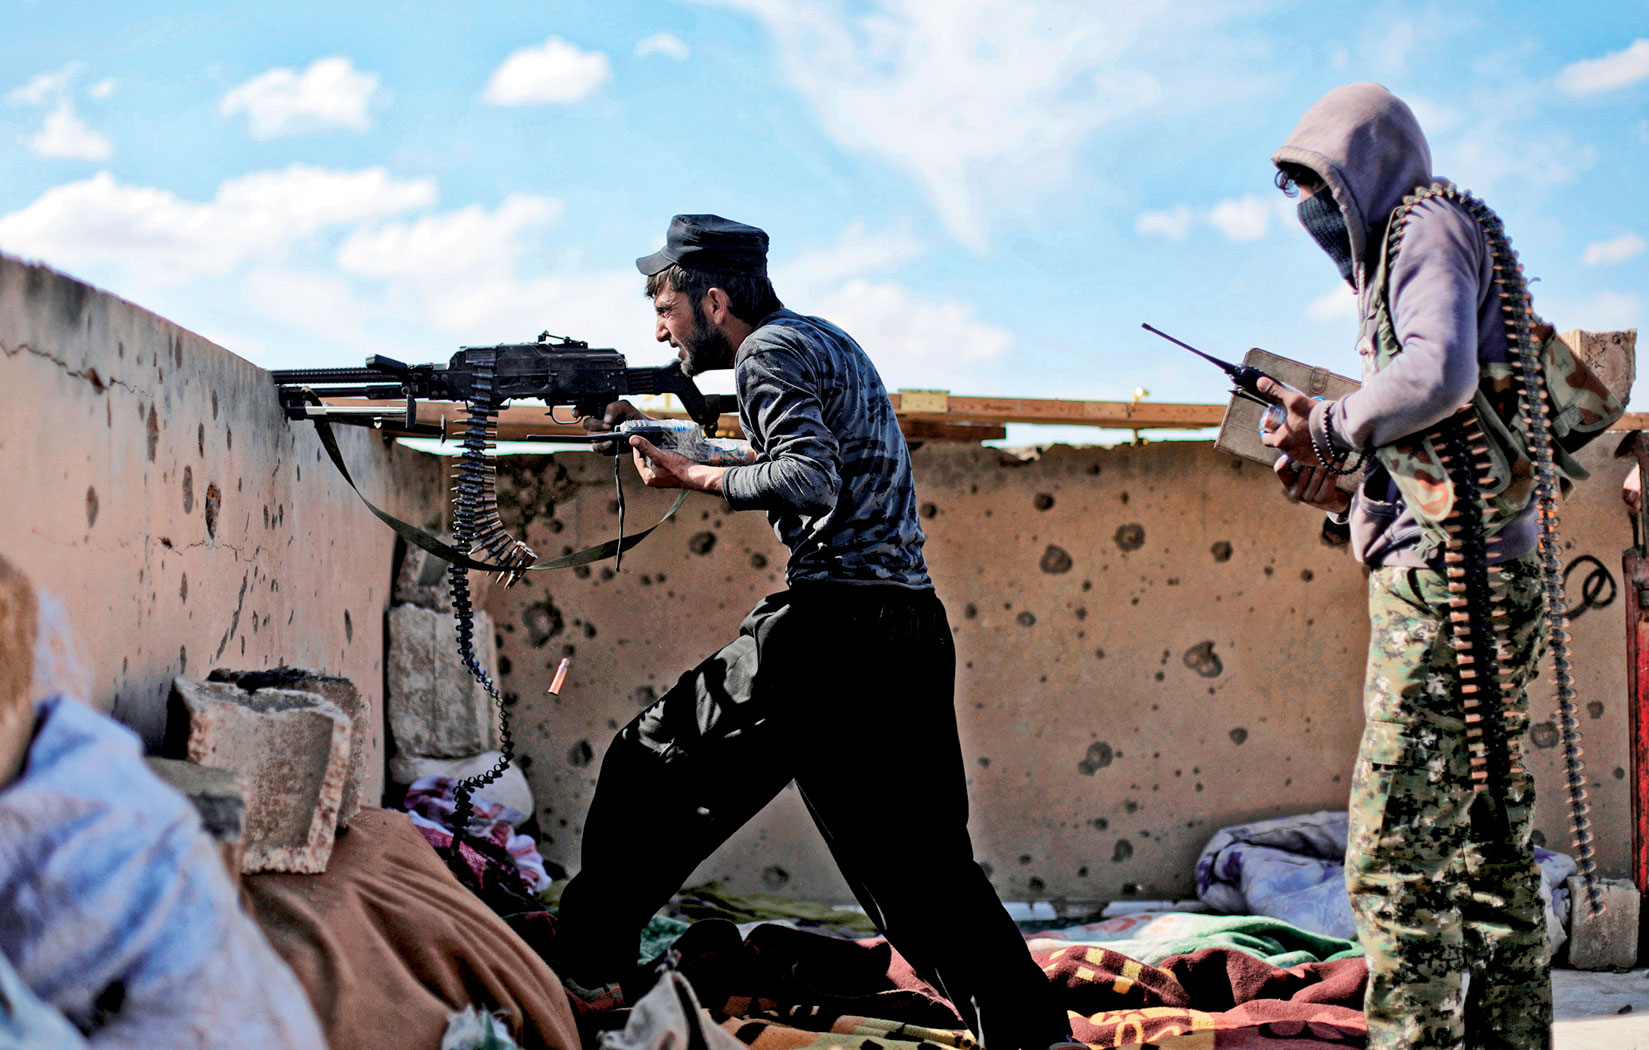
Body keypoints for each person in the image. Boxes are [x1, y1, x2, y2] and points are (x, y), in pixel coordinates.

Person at [552, 214, 1074, 1050]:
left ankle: (584, 974)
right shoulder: (818, 339)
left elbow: (804, 475)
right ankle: (1034, 1036)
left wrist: (688, 474)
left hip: (831, 629)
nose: (659, 331)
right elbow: (800, 452)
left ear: (712, 300)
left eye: (665, 309)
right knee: (916, 868)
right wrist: (665, 440)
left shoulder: (764, 354)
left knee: (646, 766)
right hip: (905, 626)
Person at [1256, 85, 1553, 1049]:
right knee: (1487, 852)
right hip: (1467, 564)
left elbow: (1437, 374)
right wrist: (1339, 486)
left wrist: (1329, 424)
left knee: (1395, 860)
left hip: (1446, 582)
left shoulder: (1421, 227)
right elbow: (1438, 437)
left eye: (1312, 184)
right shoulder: (1432, 239)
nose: (1306, 206)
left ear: (1362, 170)